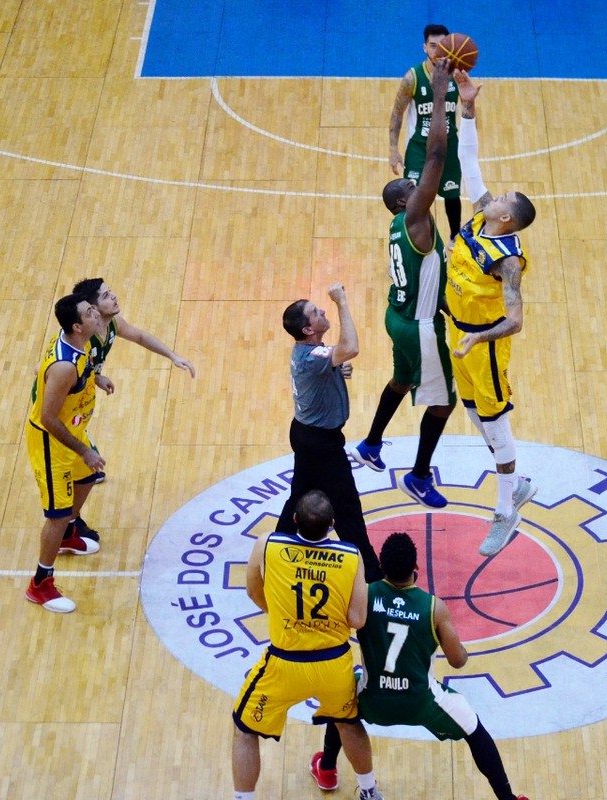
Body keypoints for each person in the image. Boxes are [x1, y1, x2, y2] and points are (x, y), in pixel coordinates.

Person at [312, 533, 529, 800]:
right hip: (421, 703)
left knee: (341, 703)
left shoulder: (365, 595)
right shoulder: (434, 608)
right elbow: (457, 661)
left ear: (381, 567)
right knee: (475, 731)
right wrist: (461, 650)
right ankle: (508, 798)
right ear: (416, 569)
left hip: (373, 700)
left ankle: (327, 768)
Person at [231, 491, 384, 800]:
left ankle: (243, 798)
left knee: (244, 730)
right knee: (348, 724)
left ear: (295, 520)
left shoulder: (268, 545)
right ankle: (369, 791)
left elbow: (252, 591)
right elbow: (357, 618)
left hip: (284, 664)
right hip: (333, 665)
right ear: (332, 525)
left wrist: (281, 611)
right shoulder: (351, 555)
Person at [353, 59, 458, 509]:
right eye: (411, 187)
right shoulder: (416, 219)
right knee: (442, 403)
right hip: (417, 324)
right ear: (404, 200)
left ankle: (371, 443)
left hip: (396, 316)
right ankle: (418, 476)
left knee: (400, 379)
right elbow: (436, 156)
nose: (420, 187)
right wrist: (438, 95)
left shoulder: (401, 223)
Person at [445, 69, 539, 558]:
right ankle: (517, 482)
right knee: (469, 410)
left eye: (501, 199)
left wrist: (477, 340)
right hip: (456, 331)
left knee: (495, 420)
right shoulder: (483, 216)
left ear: (507, 218)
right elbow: (469, 161)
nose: (493, 195)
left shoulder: (508, 260)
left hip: (484, 342)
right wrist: (467, 107)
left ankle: (506, 510)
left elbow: (517, 321)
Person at [276, 284, 382, 581]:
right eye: (316, 312)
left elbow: (334, 360)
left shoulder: (311, 353)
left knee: (300, 495)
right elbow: (351, 348)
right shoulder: (312, 358)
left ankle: (276, 551)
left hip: (309, 435)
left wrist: (336, 371)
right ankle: (371, 574)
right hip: (320, 444)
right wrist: (342, 302)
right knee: (346, 506)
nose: (322, 311)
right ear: (309, 330)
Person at [72, 277, 195, 503]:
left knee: (82, 435)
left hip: (83, 395)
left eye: (111, 292)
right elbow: (43, 369)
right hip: (67, 399)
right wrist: (93, 376)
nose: (114, 296)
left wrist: (172, 356)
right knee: (78, 450)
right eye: (106, 296)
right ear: (94, 309)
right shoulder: (82, 340)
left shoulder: (112, 323)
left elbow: (138, 336)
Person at [23, 294, 107, 613]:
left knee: (89, 478)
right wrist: (83, 450)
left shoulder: (77, 344)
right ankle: (40, 584)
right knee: (55, 514)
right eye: (89, 313)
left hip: (72, 431)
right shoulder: (63, 367)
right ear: (77, 326)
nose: (96, 314)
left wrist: (97, 378)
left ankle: (70, 533)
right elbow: (48, 417)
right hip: (51, 441)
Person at [388, 24, 464, 244]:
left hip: (449, 146)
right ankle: (408, 241)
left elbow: (470, 110)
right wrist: (393, 149)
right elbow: (396, 114)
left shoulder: (458, 75)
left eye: (442, 46)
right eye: (433, 46)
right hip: (419, 148)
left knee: (452, 195)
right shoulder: (412, 78)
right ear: (424, 47)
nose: (437, 51)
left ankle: (455, 238)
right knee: (412, 199)